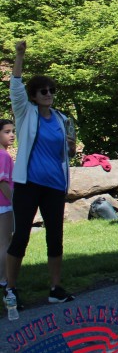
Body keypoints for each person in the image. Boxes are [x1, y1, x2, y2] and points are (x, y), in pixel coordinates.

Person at [6, 40, 76, 311]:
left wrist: (69, 149)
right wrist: (19, 55)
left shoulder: (60, 119)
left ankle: (55, 289)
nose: (48, 94)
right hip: (29, 185)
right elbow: (15, 87)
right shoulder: (26, 114)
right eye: (43, 91)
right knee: (21, 236)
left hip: (54, 186)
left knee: (55, 236)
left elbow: (64, 153)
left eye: (51, 91)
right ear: (33, 96)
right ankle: (10, 290)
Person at [0, 119, 13, 299]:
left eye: (13, 131)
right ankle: (3, 279)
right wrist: (14, 201)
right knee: (5, 242)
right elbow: (2, 182)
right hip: (4, 205)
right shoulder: (3, 156)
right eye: (7, 132)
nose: (11, 135)